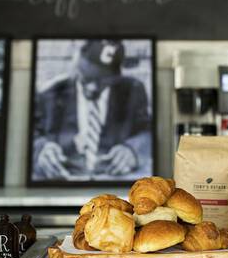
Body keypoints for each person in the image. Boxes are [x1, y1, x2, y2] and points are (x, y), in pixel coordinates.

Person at [33, 40, 151, 180]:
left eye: (103, 80)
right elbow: (33, 133)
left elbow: (148, 132)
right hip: (65, 180)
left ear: (117, 75)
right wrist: (41, 149)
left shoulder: (133, 91)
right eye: (86, 78)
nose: (92, 87)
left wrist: (133, 150)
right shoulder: (51, 94)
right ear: (76, 64)